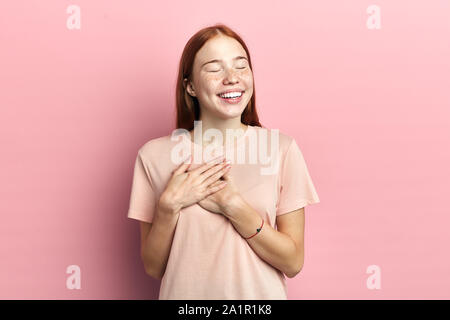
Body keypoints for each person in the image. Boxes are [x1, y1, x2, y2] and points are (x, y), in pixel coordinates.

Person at [127, 23, 320, 300]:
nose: (232, 78)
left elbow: (293, 262)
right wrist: (169, 207)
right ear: (190, 86)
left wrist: (234, 207)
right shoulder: (153, 156)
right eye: (215, 69)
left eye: (241, 66)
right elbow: (154, 266)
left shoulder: (281, 149)